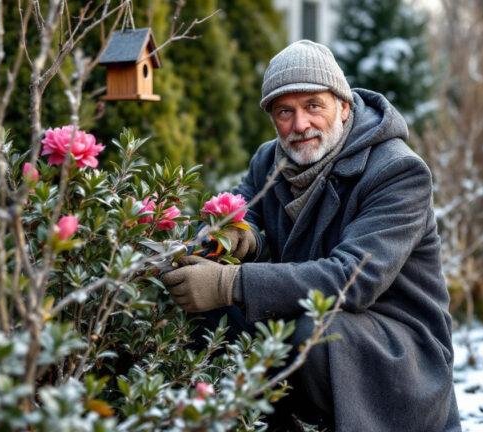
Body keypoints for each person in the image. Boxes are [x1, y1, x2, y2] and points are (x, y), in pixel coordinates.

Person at [162, 40, 461, 431]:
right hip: (315, 325)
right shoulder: (269, 160)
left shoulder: (398, 172)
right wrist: (235, 234)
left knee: (313, 328)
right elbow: (243, 207)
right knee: (210, 309)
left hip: (398, 352)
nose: (300, 124)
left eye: (313, 106)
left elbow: (352, 279)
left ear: (344, 106)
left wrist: (229, 281)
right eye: (285, 111)